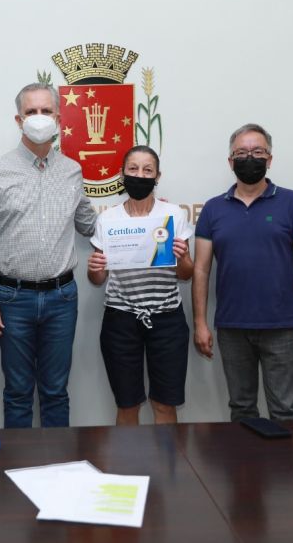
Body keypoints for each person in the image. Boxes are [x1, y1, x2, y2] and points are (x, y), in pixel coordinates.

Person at [0, 82, 97, 428]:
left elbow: (89, 224)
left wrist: (139, 219)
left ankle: (59, 461)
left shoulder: (72, 171)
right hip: (11, 299)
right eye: (31, 112)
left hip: (61, 298)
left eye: (46, 111)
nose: (39, 118)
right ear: (18, 119)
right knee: (18, 393)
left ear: (59, 118)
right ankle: (18, 462)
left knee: (56, 392)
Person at [192, 123, 293, 421]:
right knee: (241, 410)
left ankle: (286, 456)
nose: (249, 157)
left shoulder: (291, 202)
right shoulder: (212, 209)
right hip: (232, 327)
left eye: (257, 152)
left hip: (280, 326)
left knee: (284, 412)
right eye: (241, 152)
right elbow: (200, 270)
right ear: (230, 161)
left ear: (269, 159)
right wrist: (200, 323)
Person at [87, 146, 194, 425]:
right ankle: (129, 456)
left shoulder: (173, 215)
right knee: (127, 404)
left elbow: (186, 274)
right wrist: (95, 269)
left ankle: (167, 457)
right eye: (133, 168)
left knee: (165, 404)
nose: (140, 175)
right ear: (122, 174)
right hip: (120, 320)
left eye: (148, 170)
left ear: (158, 176)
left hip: (167, 319)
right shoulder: (108, 219)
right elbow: (98, 279)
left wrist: (183, 257)